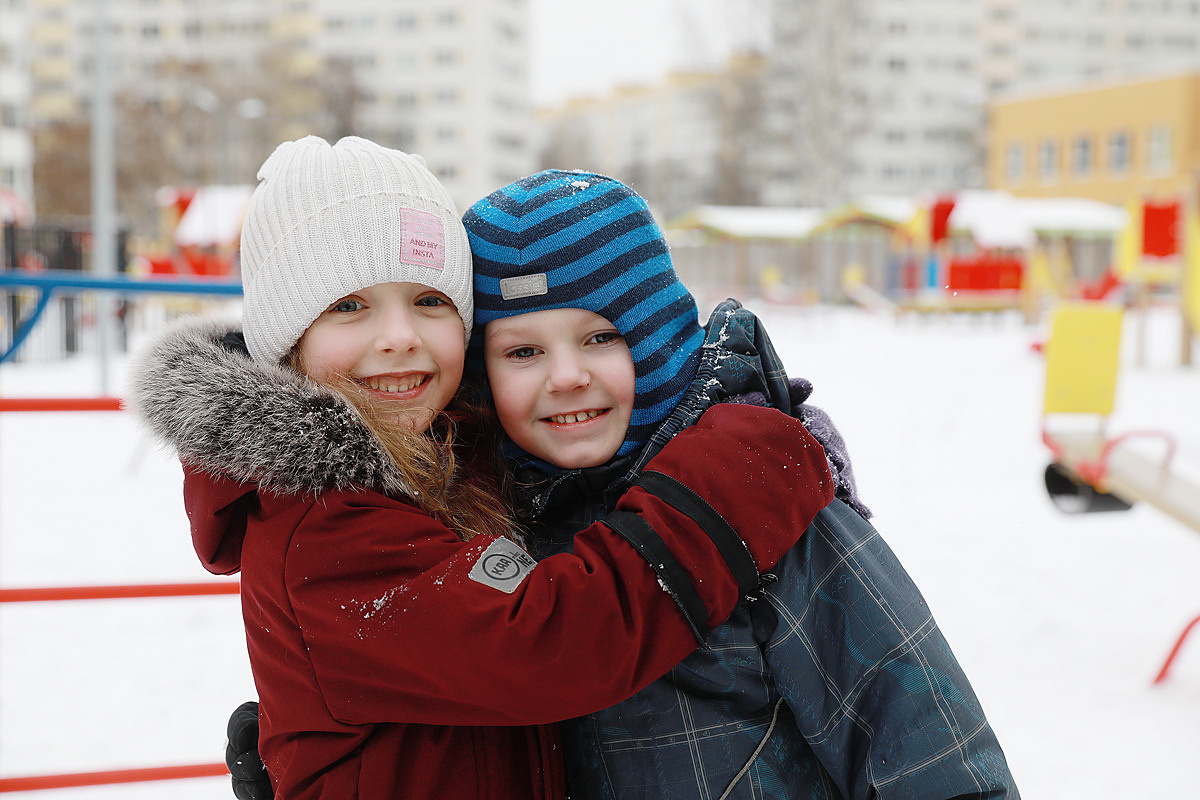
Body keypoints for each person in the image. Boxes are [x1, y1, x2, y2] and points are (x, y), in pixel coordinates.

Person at [126, 138, 837, 800]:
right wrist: (726, 485)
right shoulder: (322, 523)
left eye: (429, 301)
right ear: (287, 340)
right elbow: (550, 645)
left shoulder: (444, 462)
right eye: (349, 307)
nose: (400, 336)